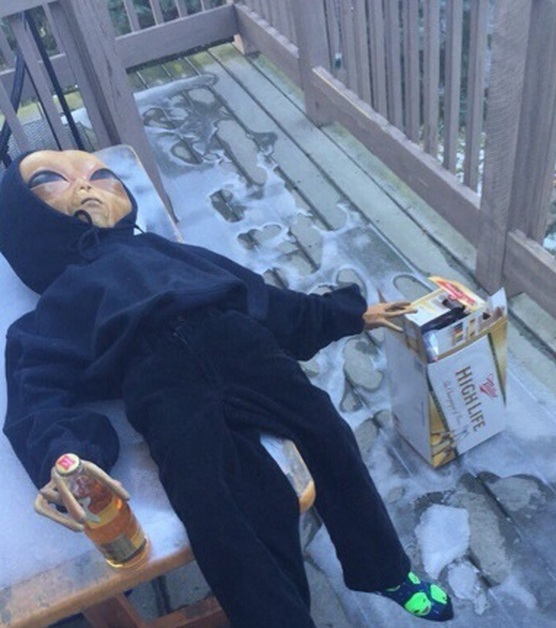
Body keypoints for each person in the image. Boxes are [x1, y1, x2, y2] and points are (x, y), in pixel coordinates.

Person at [0, 150, 453, 626]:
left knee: (328, 433)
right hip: (160, 381)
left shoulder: (164, 249)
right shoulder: (60, 300)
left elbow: (261, 297)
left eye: (101, 174)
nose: (86, 185)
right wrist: (66, 457)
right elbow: (38, 390)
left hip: (241, 343)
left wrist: (347, 315)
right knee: (215, 505)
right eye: (50, 179)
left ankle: (384, 569)